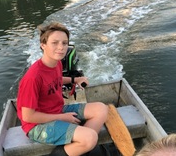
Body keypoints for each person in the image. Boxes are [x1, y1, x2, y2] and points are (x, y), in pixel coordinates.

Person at [17, 22, 108, 156]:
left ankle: (78, 146)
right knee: (90, 138)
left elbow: (56, 79)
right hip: (37, 126)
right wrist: (62, 118)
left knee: (101, 109)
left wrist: (74, 80)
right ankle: (74, 146)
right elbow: (28, 116)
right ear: (43, 45)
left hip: (57, 110)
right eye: (55, 43)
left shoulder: (56, 63)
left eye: (64, 43)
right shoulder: (32, 77)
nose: (61, 47)